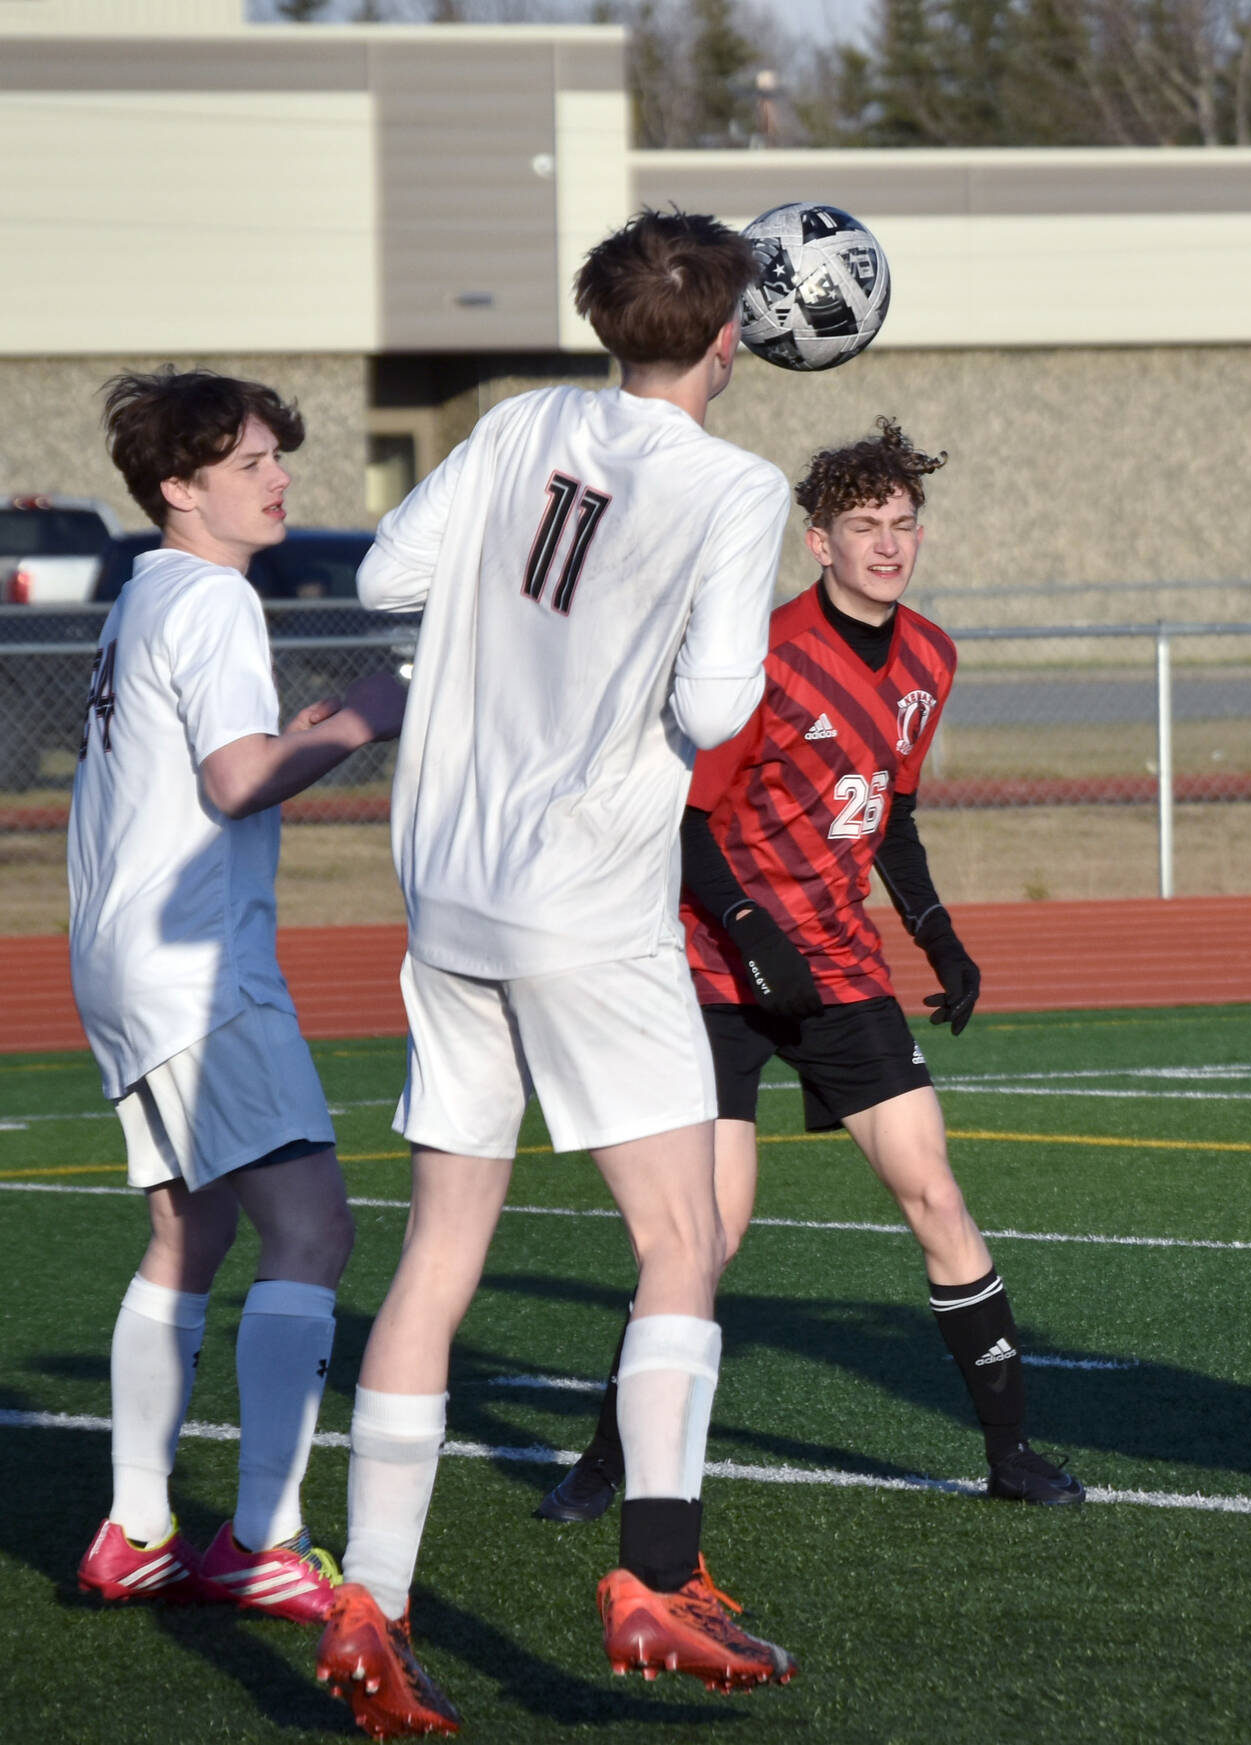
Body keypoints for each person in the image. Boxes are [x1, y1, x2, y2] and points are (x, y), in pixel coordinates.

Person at [314, 209, 795, 1739]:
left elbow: (394, 576)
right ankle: (657, 1572)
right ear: (730, 339)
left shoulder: (523, 421)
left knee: (436, 1258)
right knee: (682, 1234)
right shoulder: (735, 481)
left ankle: (374, 1607)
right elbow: (720, 705)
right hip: (585, 894)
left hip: (443, 885)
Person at [535, 419, 1084, 1525]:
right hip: (713, 972)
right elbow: (679, 827)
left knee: (935, 1193)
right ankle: (604, 1460)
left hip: (837, 967)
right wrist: (747, 932)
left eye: (901, 523)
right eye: (861, 525)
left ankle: (1011, 1450)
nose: (886, 543)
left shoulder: (931, 655)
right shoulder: (763, 654)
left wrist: (936, 933)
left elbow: (891, 815)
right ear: (816, 539)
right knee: (708, 1232)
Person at [70, 369, 405, 1621]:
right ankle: (263, 1534)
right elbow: (231, 780)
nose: (279, 479)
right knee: (314, 1228)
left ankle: (134, 1523)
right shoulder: (210, 596)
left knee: (191, 1231)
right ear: (177, 485)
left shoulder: (148, 589)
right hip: (198, 966)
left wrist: (302, 726)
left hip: (120, 961)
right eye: (252, 460)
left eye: (278, 457)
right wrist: (364, 717)